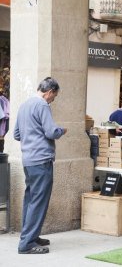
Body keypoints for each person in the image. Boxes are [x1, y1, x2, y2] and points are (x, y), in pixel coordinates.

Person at [14, 77, 67, 254]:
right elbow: (51, 131)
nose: (53, 100)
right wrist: (62, 130)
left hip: (28, 159)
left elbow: (16, 134)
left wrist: (31, 138)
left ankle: (30, 235)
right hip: (41, 159)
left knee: (30, 200)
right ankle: (27, 244)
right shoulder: (42, 105)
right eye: (54, 96)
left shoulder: (24, 105)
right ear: (49, 91)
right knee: (39, 201)